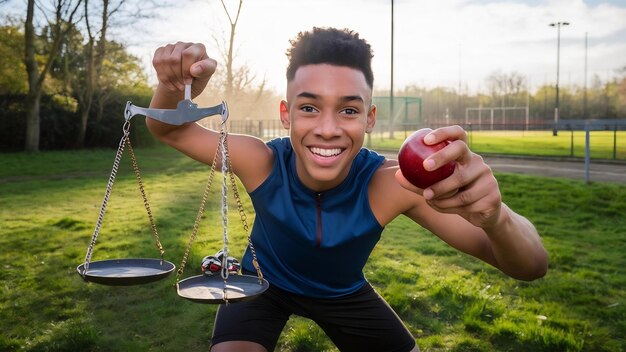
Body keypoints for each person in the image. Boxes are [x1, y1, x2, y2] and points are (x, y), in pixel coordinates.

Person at [147, 27, 548, 352]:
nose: (328, 128)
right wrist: (174, 86)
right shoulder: (261, 161)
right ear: (285, 114)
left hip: (343, 294)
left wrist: (497, 217)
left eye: (349, 110)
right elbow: (167, 129)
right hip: (260, 285)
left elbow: (530, 266)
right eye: (308, 107)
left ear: (369, 119)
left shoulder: (393, 184)